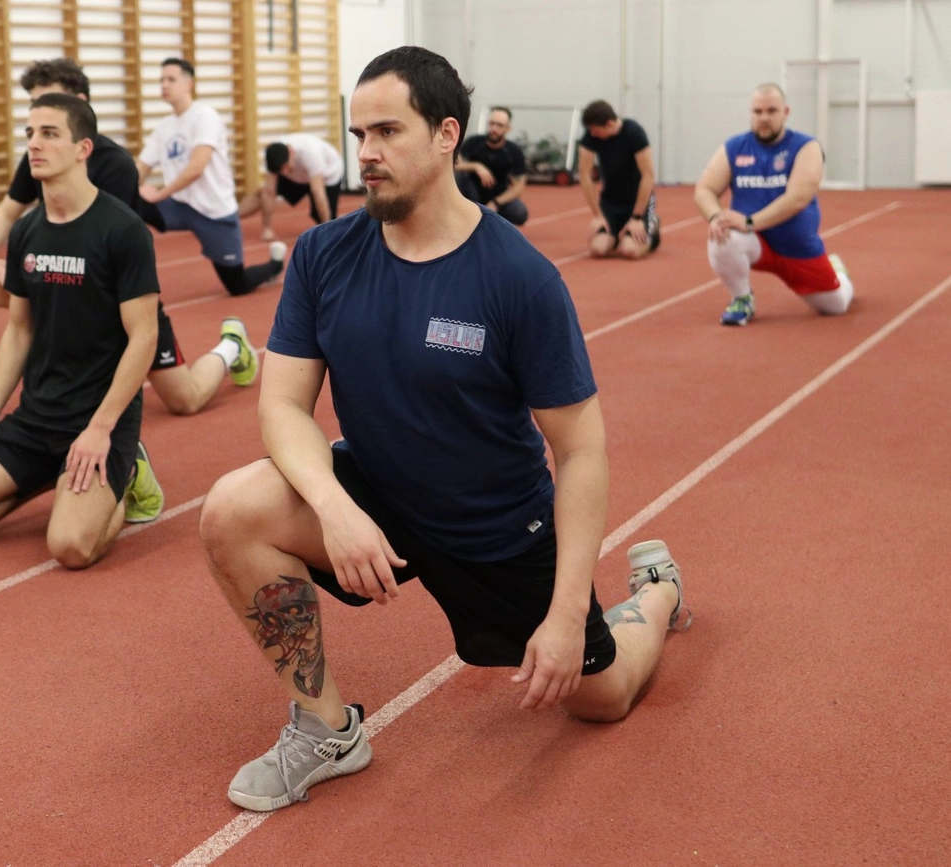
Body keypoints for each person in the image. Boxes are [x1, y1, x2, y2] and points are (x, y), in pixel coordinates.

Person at [198, 46, 692, 813]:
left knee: (603, 696)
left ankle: (652, 596)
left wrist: (565, 617)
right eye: (358, 134)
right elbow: (282, 407)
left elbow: (580, 449)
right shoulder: (325, 255)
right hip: (379, 498)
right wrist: (336, 508)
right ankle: (328, 728)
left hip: (498, 527)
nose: (366, 153)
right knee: (233, 509)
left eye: (388, 131)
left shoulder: (518, 276)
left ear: (445, 135)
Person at [0, 59, 259, 466]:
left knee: (185, 399)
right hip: (55, 283)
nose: (36, 121)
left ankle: (228, 348)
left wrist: (26, 267)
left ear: (77, 105)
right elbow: (10, 212)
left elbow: (103, 259)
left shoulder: (113, 165)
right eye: (32, 108)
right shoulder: (36, 157)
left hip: (114, 300)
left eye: (46, 104)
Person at [0, 93, 163, 566]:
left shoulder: (123, 230)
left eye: (49, 133)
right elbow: (18, 330)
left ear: (82, 149)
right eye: (29, 134)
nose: (34, 144)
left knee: (70, 547)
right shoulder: (27, 231)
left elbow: (144, 338)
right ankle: (50, 475)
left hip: (99, 420)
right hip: (36, 418)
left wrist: (100, 428)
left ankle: (125, 473)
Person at [694, 83, 854, 326]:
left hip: (798, 249)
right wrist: (716, 216)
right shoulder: (735, 147)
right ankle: (742, 299)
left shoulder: (806, 147)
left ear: (785, 112)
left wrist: (749, 222)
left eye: (771, 111)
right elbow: (705, 189)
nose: (764, 118)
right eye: (757, 112)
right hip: (757, 244)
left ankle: (839, 272)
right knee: (722, 233)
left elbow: (797, 199)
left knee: (836, 306)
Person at [135, 57, 287, 297]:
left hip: (213, 212)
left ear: (189, 84)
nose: (164, 85)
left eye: (170, 79)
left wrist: (158, 194)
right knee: (126, 201)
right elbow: (140, 167)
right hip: (179, 205)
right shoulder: (163, 127)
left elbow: (196, 168)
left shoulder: (204, 116)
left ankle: (275, 265)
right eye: (161, 80)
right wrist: (132, 186)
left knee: (236, 285)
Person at [577, 100, 659, 259]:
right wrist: (597, 215)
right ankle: (616, 236)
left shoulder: (634, 132)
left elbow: (648, 175)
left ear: (608, 124)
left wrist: (636, 217)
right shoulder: (591, 136)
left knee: (630, 251)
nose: (592, 134)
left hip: (637, 202)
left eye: (594, 130)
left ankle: (652, 233)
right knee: (598, 249)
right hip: (611, 201)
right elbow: (585, 174)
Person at [238, 133, 344, 241]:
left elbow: (317, 192)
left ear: (291, 152)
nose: (284, 172)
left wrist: (327, 229)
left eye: (285, 167)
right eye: (280, 170)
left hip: (328, 175)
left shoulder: (310, 153)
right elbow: (269, 191)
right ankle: (232, 216)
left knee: (323, 219)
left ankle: (338, 222)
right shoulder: (273, 156)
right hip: (299, 176)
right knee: (263, 192)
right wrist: (266, 229)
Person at [454, 106, 529, 226]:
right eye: (492, 123)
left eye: (499, 125)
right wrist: (476, 166)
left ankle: (493, 221)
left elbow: (518, 187)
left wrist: (496, 203)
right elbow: (454, 164)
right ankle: (467, 215)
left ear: (508, 128)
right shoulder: (474, 143)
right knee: (458, 175)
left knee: (520, 213)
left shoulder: (513, 151)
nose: (494, 128)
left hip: (497, 197)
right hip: (471, 194)